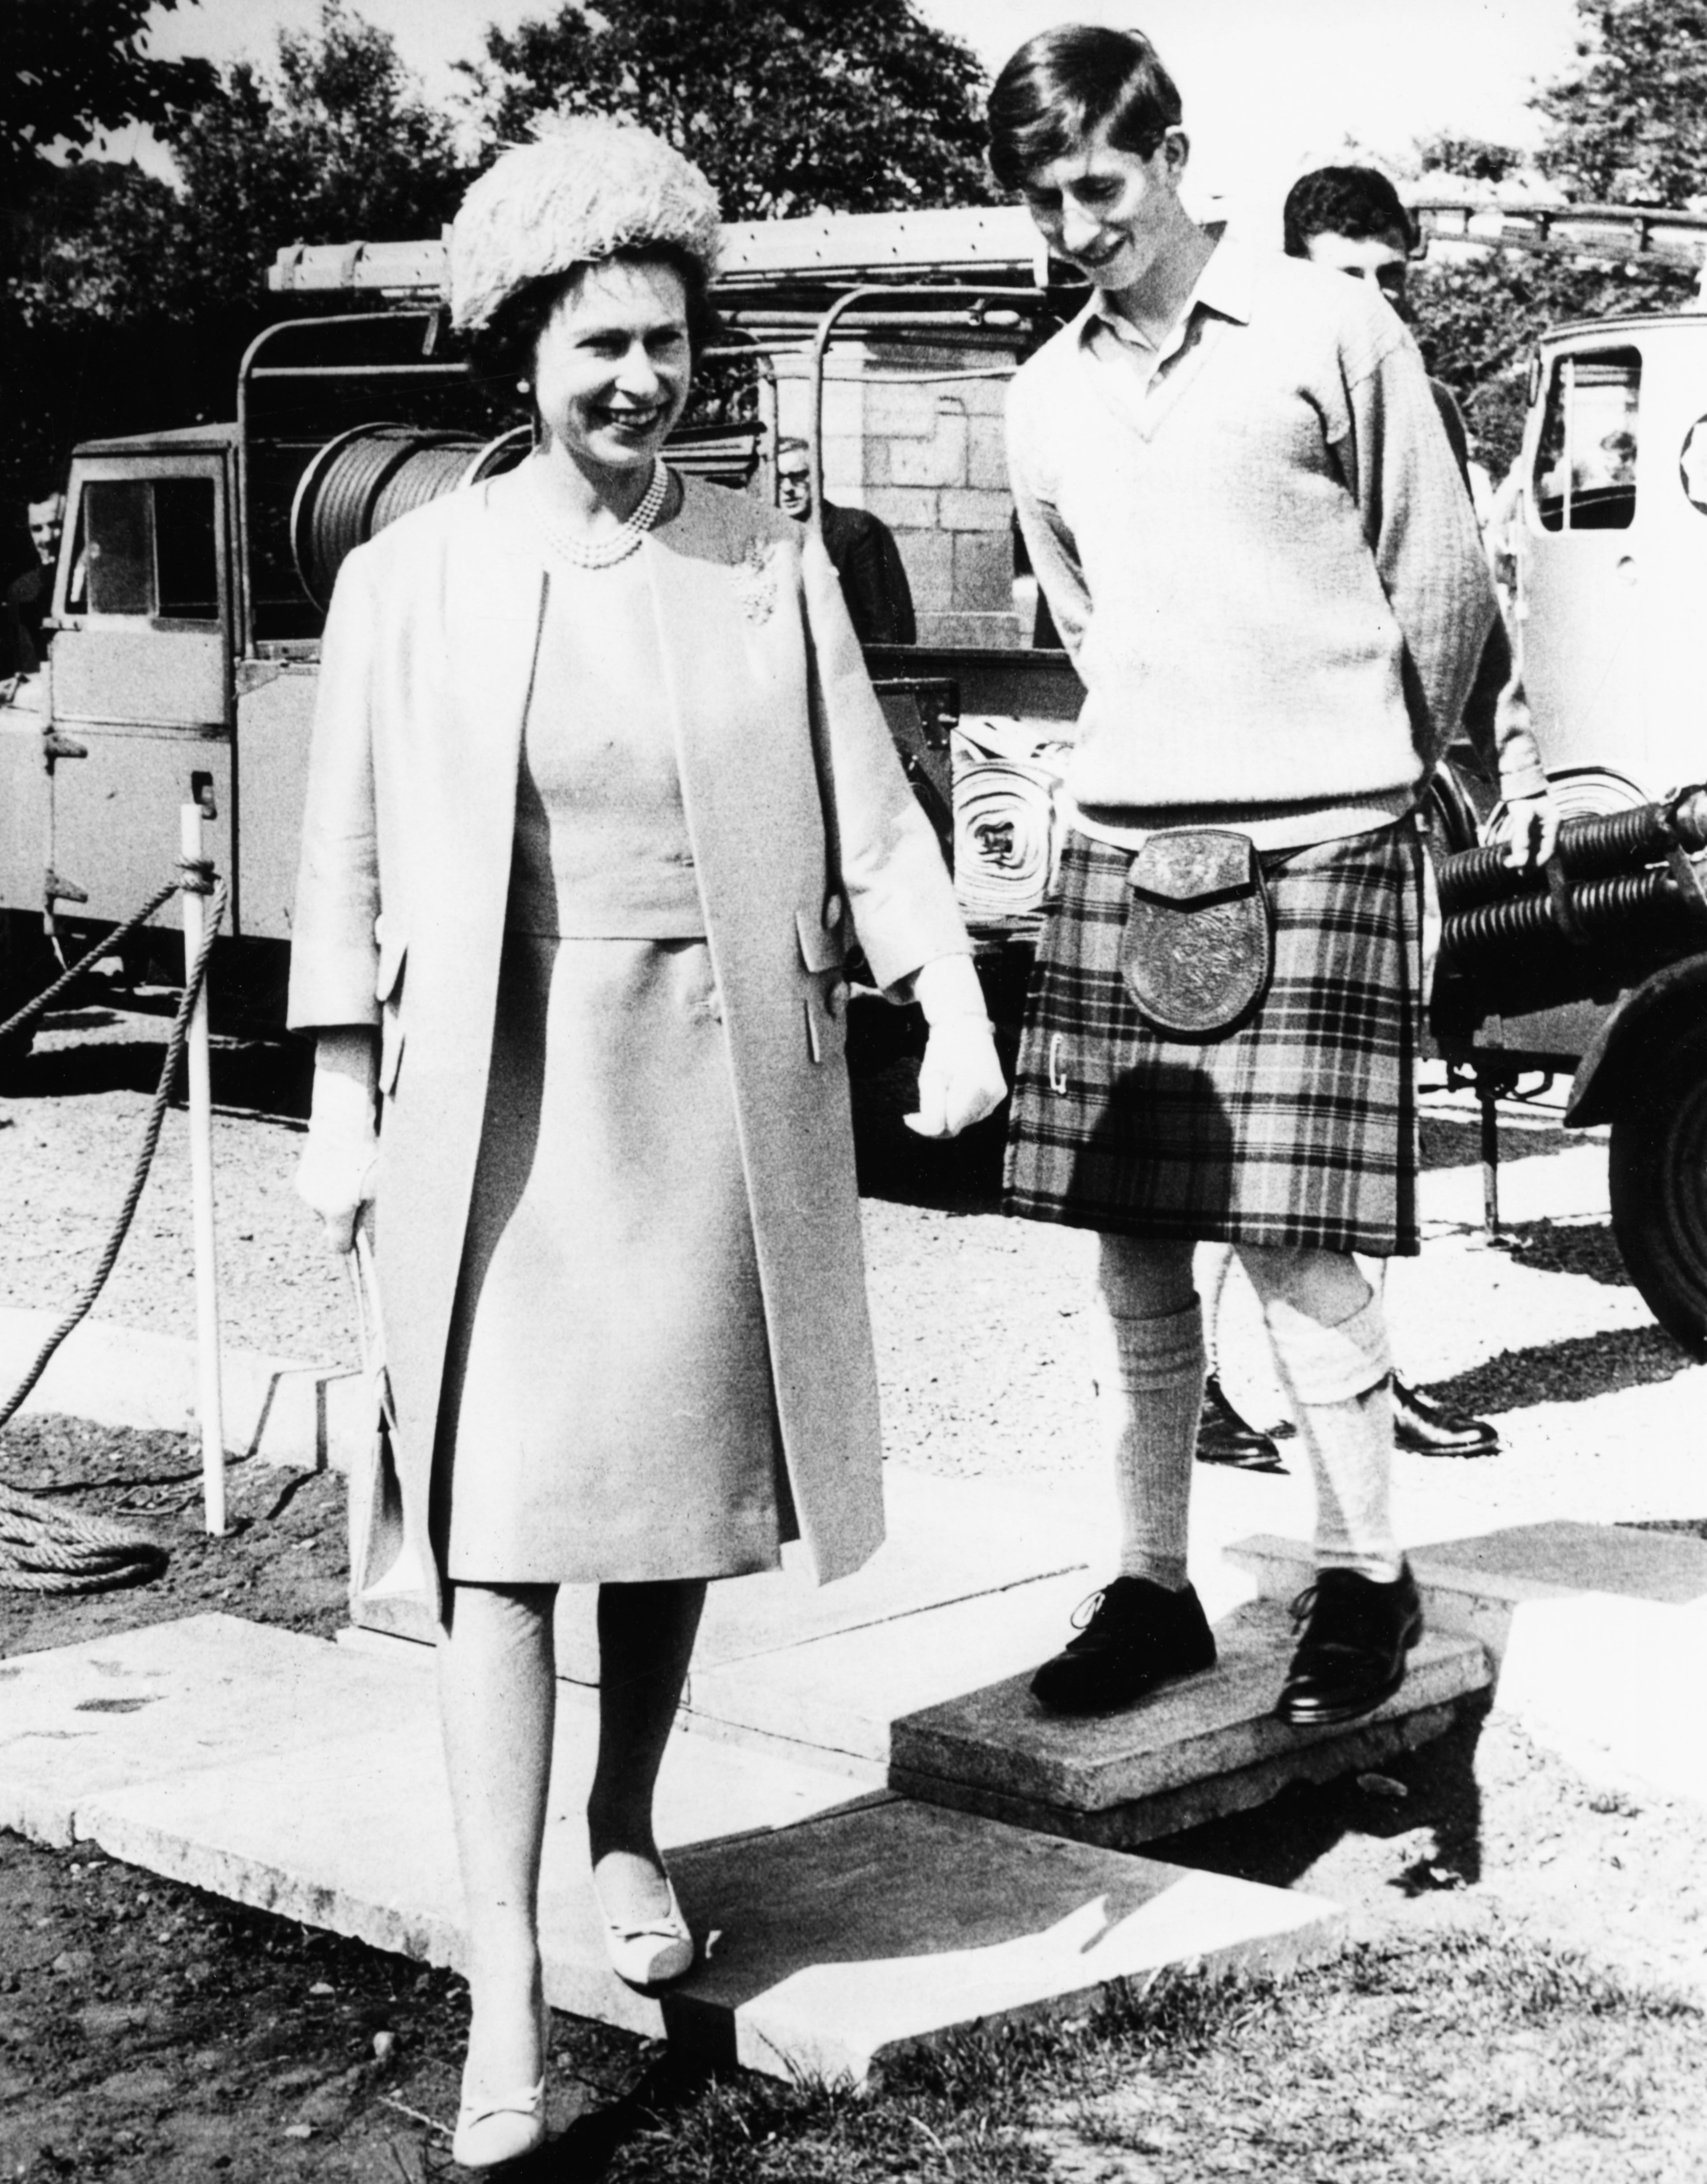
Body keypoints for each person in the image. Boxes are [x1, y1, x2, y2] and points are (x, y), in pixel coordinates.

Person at [287, 117, 1004, 2173]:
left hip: (707, 1081)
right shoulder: (411, 575)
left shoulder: (762, 556)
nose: (636, 381)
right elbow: (337, 847)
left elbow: (871, 816)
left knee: (673, 1508)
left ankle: (625, 1820)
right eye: (599, 343)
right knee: (500, 1538)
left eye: (668, 345)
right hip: (501, 1109)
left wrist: (944, 994)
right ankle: (507, 1983)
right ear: (522, 349)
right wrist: (342, 1092)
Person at [989, 27, 1501, 1728]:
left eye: (1099, 185)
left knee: (1292, 1254)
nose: (1076, 226)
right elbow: (1083, 625)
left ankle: (1364, 1580)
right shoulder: (1040, 395)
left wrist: (1392, 793)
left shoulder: (1328, 325)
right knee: (1130, 1254)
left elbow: (1440, 580)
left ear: (1171, 153)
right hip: (1126, 851)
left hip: (1323, 834)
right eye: (1043, 200)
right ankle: (1147, 1593)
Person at [775, 435, 917, 644]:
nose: (788, 487)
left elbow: (888, 627)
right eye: (779, 478)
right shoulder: (769, 539)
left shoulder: (857, 530)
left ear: (818, 478)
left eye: (799, 476)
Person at [5, 491, 65, 672]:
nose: (46, 539)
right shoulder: (22, 592)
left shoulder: (105, 580)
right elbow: (30, 669)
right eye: (37, 529)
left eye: (55, 525)